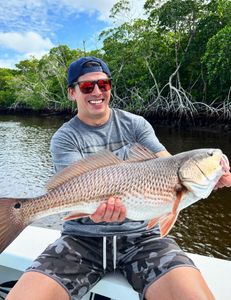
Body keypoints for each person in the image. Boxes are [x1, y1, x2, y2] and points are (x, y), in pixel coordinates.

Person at [7, 56, 216, 300]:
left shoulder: (136, 124)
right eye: (87, 86)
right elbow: (75, 186)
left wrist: (210, 178)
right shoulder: (64, 138)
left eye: (103, 84)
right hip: (82, 240)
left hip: (143, 238)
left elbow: (168, 162)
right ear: (72, 93)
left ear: (109, 87)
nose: (96, 91)